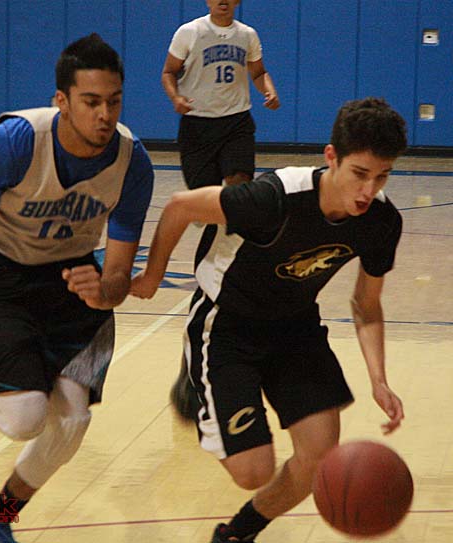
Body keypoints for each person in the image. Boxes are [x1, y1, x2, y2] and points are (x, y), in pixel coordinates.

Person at [131, 97, 407, 542]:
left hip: (295, 326)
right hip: (227, 324)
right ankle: (194, 383)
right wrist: (151, 276)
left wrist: (379, 379)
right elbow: (181, 205)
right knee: (252, 471)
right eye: (359, 174)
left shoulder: (380, 221)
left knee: (318, 458)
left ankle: (237, 534)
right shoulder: (272, 198)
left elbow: (366, 305)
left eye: (381, 177)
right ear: (331, 157)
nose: (366, 191)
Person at [0, 33, 154, 543]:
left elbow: (118, 275)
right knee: (26, 418)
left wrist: (106, 290)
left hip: (67, 275)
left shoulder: (131, 163)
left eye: (113, 102)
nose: (104, 115)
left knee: (73, 421)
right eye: (91, 102)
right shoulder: (18, 142)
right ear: (62, 101)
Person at [162, 0, 280, 190]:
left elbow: (258, 73)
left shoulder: (247, 34)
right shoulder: (190, 32)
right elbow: (169, 72)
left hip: (236, 121)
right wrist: (176, 98)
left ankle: (235, 218)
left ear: (237, 2)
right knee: (204, 199)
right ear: (208, 1)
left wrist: (269, 90)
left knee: (240, 186)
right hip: (197, 124)